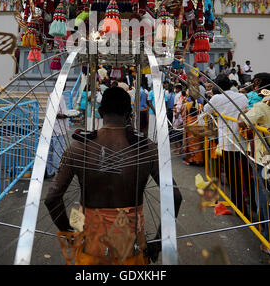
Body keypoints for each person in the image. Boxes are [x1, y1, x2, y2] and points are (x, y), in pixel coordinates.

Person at [44, 87, 182, 265]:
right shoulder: (146, 148)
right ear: (129, 114)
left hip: (89, 248)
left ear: (100, 112)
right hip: (131, 250)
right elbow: (175, 196)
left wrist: (69, 232)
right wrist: (158, 241)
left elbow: (51, 199)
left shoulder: (78, 147)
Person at [203, 74, 253, 217]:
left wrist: (213, 95)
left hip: (228, 144)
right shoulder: (241, 96)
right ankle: (251, 203)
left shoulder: (217, 98)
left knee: (233, 177)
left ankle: (240, 208)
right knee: (246, 173)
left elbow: (206, 110)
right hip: (243, 142)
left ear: (216, 86)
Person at [238, 88, 270, 252]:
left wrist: (245, 112)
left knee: (264, 197)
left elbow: (242, 121)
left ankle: (267, 238)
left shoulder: (262, 104)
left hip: (265, 159)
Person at [45, 90, 71, 178]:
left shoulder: (53, 95)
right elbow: (55, 114)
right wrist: (66, 115)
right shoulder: (57, 96)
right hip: (57, 128)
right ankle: (57, 172)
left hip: (53, 128)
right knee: (57, 151)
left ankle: (50, 171)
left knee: (51, 151)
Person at [183, 96, 204, 166]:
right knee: (198, 142)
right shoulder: (200, 105)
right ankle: (198, 160)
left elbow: (184, 115)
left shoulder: (186, 105)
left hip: (189, 124)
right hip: (198, 125)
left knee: (189, 143)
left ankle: (190, 160)